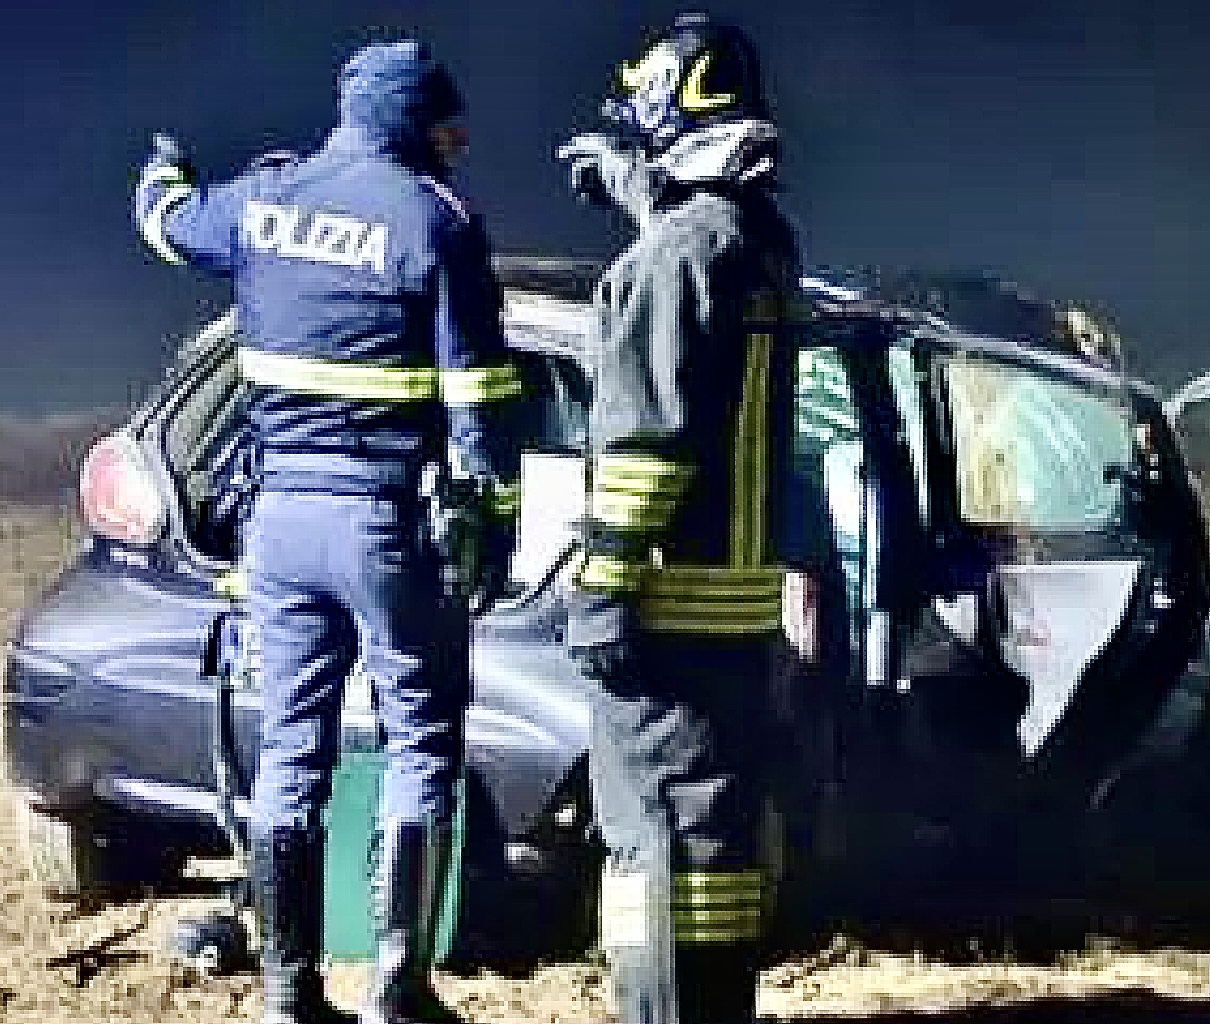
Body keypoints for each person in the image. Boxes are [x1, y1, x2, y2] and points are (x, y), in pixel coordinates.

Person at [134, 39, 523, 1024]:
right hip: (383, 521)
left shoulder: (264, 203)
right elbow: (479, 393)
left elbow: (169, 225)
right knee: (420, 742)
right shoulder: (435, 223)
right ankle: (399, 988)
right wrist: (491, 515)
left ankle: (285, 990)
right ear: (410, 121)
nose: (457, 142)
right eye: (447, 125)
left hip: (279, 528)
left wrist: (162, 171)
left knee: (290, 752)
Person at [555, 14, 804, 1024]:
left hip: (661, 611)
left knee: (652, 843)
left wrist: (602, 590)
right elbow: (703, 240)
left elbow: (643, 446)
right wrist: (638, 191)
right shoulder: (758, 244)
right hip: (734, 614)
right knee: (714, 846)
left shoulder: (671, 263)